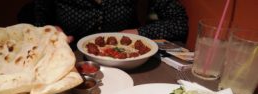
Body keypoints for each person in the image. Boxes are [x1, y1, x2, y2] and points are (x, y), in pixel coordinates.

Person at [18, 0, 188, 44]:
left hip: (127, 63)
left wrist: (139, 33)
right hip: (70, 61)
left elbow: (179, 23)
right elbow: (36, 21)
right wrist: (48, 30)